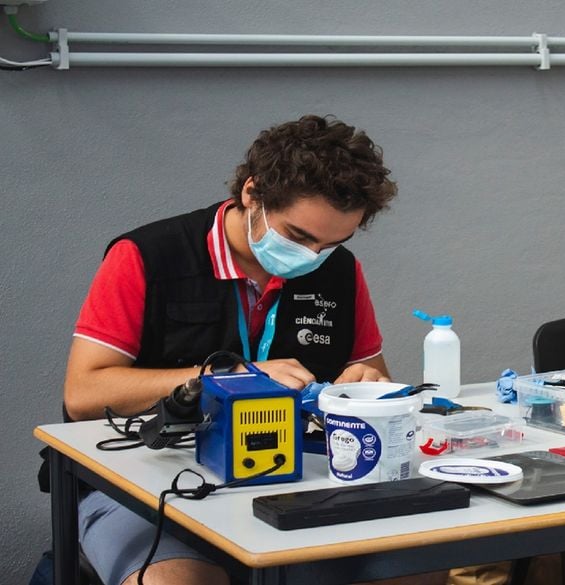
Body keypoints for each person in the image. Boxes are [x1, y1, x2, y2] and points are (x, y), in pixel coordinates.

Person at [63, 115, 427, 585]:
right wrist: (228, 379)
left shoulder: (338, 270)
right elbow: (83, 392)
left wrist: (365, 388)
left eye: (332, 243)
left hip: (295, 478)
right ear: (252, 194)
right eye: (298, 236)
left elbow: (369, 372)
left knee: (415, 569)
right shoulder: (147, 256)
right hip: (146, 482)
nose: (313, 256)